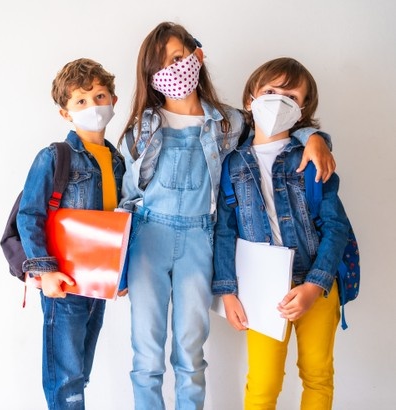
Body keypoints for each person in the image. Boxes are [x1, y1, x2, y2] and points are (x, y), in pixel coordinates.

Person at [117, 22, 336, 410]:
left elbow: (278, 131)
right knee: (146, 356)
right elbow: (128, 197)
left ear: (198, 56)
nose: (174, 69)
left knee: (191, 352)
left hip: (201, 238)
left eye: (180, 58)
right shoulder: (141, 127)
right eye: (163, 64)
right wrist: (116, 264)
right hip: (148, 238)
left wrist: (316, 138)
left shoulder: (228, 123)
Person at [212, 57, 350, 409]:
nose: (278, 101)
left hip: (317, 286)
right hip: (262, 290)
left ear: (302, 110)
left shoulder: (313, 157)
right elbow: (224, 233)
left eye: (290, 96)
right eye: (270, 91)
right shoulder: (231, 162)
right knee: (263, 383)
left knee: (318, 374)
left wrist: (314, 284)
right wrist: (227, 292)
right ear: (250, 100)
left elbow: (336, 227)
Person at [16, 58, 126, 410]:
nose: (93, 106)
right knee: (65, 378)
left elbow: (119, 222)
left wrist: (120, 273)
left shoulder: (118, 161)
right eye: (80, 101)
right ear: (65, 113)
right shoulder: (55, 156)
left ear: (113, 100)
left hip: (98, 285)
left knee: (80, 371)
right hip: (63, 284)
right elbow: (29, 214)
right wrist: (45, 272)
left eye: (99, 96)